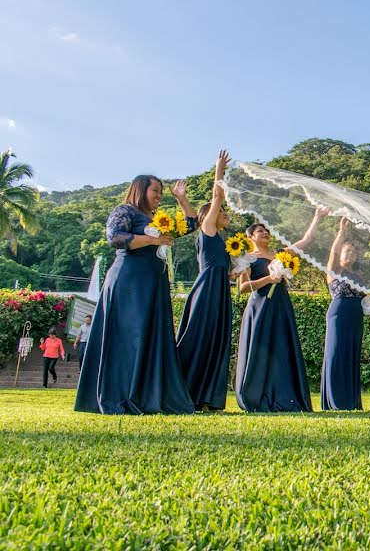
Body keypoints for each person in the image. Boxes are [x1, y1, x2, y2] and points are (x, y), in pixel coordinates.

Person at [75, 175, 198, 414]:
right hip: (129, 281)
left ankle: (146, 394)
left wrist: (181, 199)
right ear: (140, 190)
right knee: (129, 335)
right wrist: (152, 239)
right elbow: (115, 237)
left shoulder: (159, 220)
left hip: (154, 283)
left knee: (150, 336)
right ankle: (121, 393)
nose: (158, 196)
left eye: (161, 192)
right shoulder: (126, 211)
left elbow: (192, 224)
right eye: (155, 190)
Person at [235, 208, 329, 413]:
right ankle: (257, 395)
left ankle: (286, 395)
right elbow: (243, 288)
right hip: (260, 308)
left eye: (267, 230)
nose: (266, 233)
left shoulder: (280, 255)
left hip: (281, 306)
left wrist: (318, 217)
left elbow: (305, 241)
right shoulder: (248, 258)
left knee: (282, 348)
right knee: (261, 349)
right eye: (260, 231)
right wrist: (269, 279)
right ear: (250, 236)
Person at [176, 150, 234, 411]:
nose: (225, 214)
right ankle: (182, 390)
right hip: (207, 289)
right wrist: (219, 169)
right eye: (220, 212)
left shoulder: (222, 242)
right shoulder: (207, 231)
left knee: (215, 339)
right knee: (198, 337)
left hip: (220, 289)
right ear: (207, 216)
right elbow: (217, 195)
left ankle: (207, 397)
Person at [321, 217, 365, 411]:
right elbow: (333, 251)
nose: (351, 253)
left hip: (356, 316)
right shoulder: (334, 271)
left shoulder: (359, 277)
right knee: (336, 353)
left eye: (354, 251)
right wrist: (341, 232)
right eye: (348, 250)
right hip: (339, 314)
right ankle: (335, 400)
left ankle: (351, 401)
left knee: (351, 355)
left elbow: (365, 299)